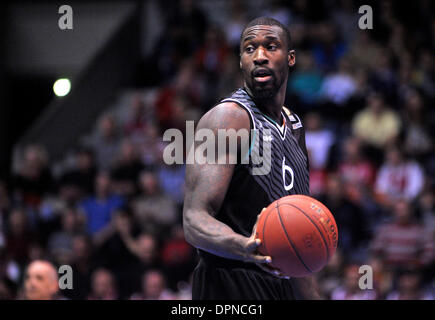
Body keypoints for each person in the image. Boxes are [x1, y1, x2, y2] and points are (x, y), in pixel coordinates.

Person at [183, 17, 319, 300]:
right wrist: (244, 246)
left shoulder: (294, 126)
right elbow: (194, 219)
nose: (259, 56)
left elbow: (296, 241)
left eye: (271, 47)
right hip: (229, 283)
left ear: (290, 58)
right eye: (249, 49)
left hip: (278, 285)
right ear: (241, 61)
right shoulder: (229, 118)